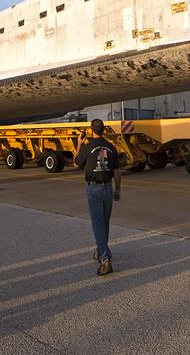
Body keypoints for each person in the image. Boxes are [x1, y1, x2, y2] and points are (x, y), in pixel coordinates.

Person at [73, 118, 121, 276]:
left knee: (97, 225)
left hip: (94, 189)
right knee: (105, 223)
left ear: (91, 130)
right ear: (103, 130)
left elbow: (76, 163)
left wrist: (79, 143)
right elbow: (117, 171)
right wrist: (117, 189)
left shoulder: (87, 146)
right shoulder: (111, 147)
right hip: (108, 187)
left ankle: (105, 260)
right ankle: (101, 249)